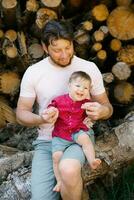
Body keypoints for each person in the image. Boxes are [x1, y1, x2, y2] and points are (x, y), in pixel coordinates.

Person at [16, 20, 113, 200]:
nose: (64, 55)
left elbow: (108, 107)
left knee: (68, 170)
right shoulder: (34, 72)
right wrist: (41, 119)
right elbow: (21, 113)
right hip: (47, 142)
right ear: (45, 48)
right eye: (56, 50)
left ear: (72, 43)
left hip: (78, 137)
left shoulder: (88, 68)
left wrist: (101, 111)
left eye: (67, 48)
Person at [44, 71, 101, 192]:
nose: (81, 90)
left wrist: (92, 109)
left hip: (76, 131)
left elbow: (95, 111)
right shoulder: (59, 100)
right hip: (60, 134)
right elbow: (51, 107)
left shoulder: (85, 103)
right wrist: (51, 111)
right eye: (78, 86)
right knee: (56, 156)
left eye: (85, 87)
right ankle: (59, 181)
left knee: (85, 138)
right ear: (69, 85)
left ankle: (92, 160)